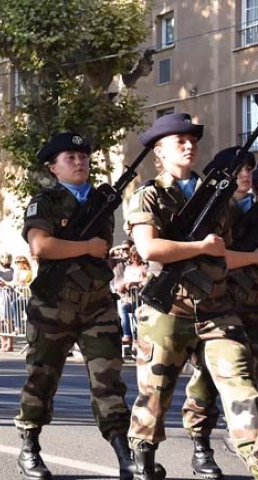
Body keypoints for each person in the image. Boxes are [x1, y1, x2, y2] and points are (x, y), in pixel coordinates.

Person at [126, 113, 258, 479]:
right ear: (159, 150)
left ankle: (249, 455)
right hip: (169, 308)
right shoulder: (148, 195)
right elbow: (149, 248)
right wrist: (200, 245)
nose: (189, 145)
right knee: (156, 392)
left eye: (193, 140)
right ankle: (144, 455)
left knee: (240, 384)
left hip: (216, 307)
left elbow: (225, 252)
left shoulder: (217, 194)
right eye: (179, 140)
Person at [13, 132, 136, 479]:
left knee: (109, 381)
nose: (80, 161)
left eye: (83, 156)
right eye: (70, 157)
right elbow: (41, 246)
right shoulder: (44, 202)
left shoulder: (102, 200)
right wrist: (86, 247)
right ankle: (29, 447)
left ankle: (123, 453)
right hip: (54, 305)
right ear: (53, 168)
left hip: (97, 303)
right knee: (42, 378)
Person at [180, 146, 258, 479]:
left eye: (249, 168)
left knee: (245, 383)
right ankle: (201, 444)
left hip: (253, 305)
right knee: (207, 380)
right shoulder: (209, 211)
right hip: (218, 306)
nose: (245, 174)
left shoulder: (254, 208)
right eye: (238, 168)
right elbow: (218, 257)